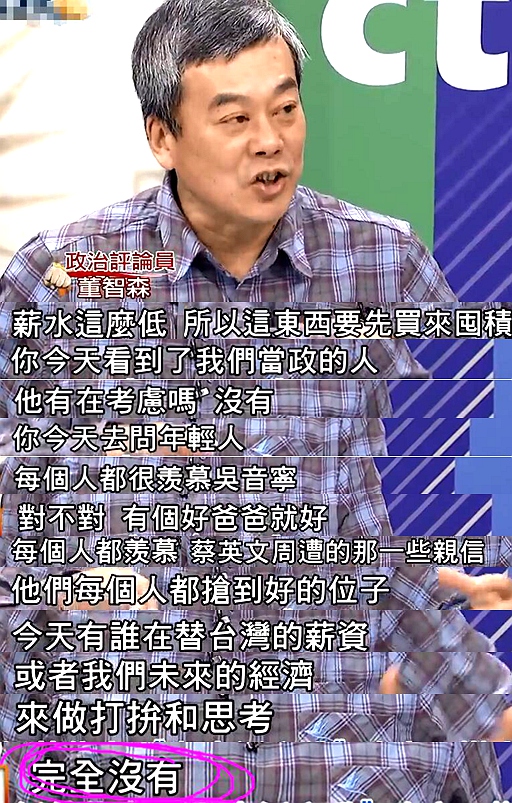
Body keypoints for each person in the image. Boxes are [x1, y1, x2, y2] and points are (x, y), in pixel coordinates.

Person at [1, 1, 512, 801]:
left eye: (286, 108)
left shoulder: (383, 262)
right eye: (235, 118)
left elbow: (440, 510)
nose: (270, 141)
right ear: (162, 136)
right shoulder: (61, 277)